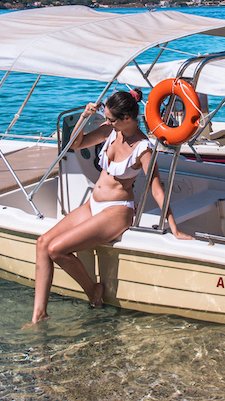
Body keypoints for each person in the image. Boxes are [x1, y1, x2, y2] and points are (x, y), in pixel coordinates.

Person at [31, 89, 188, 324]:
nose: (107, 122)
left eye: (112, 119)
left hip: (117, 211)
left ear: (127, 118)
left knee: (56, 250)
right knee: (43, 243)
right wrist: (84, 118)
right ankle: (39, 315)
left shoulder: (143, 149)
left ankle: (93, 290)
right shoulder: (111, 131)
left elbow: (157, 189)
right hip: (93, 204)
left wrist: (174, 228)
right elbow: (76, 144)